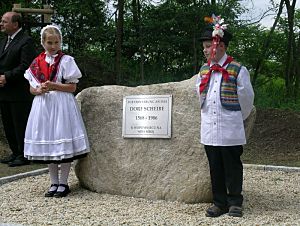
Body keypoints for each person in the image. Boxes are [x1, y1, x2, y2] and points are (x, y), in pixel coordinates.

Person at [196, 15, 254, 217]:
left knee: (232, 166)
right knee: (215, 167)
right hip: (210, 129)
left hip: (229, 129)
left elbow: (246, 100)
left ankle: (235, 201)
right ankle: (219, 202)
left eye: (207, 46)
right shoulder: (203, 71)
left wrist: (235, 118)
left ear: (220, 45)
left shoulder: (238, 70)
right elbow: (200, 96)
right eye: (204, 47)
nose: (205, 50)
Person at [23, 25, 90, 197]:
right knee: (48, 141)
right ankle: (53, 182)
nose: (53, 46)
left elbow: (72, 87)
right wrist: (38, 91)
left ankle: (64, 182)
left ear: (60, 42)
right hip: (43, 105)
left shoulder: (66, 61)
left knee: (62, 140)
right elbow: (31, 88)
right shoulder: (37, 63)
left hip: (62, 105)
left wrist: (54, 85)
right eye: (49, 42)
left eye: (56, 42)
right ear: (43, 42)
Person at [0, 12, 37, 167]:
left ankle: (24, 155)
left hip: (19, 92)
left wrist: (6, 76)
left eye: (4, 21)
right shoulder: (3, 41)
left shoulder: (26, 41)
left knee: (20, 124)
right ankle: (15, 152)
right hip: (4, 91)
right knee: (8, 124)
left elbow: (26, 66)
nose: (1, 24)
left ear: (15, 24)